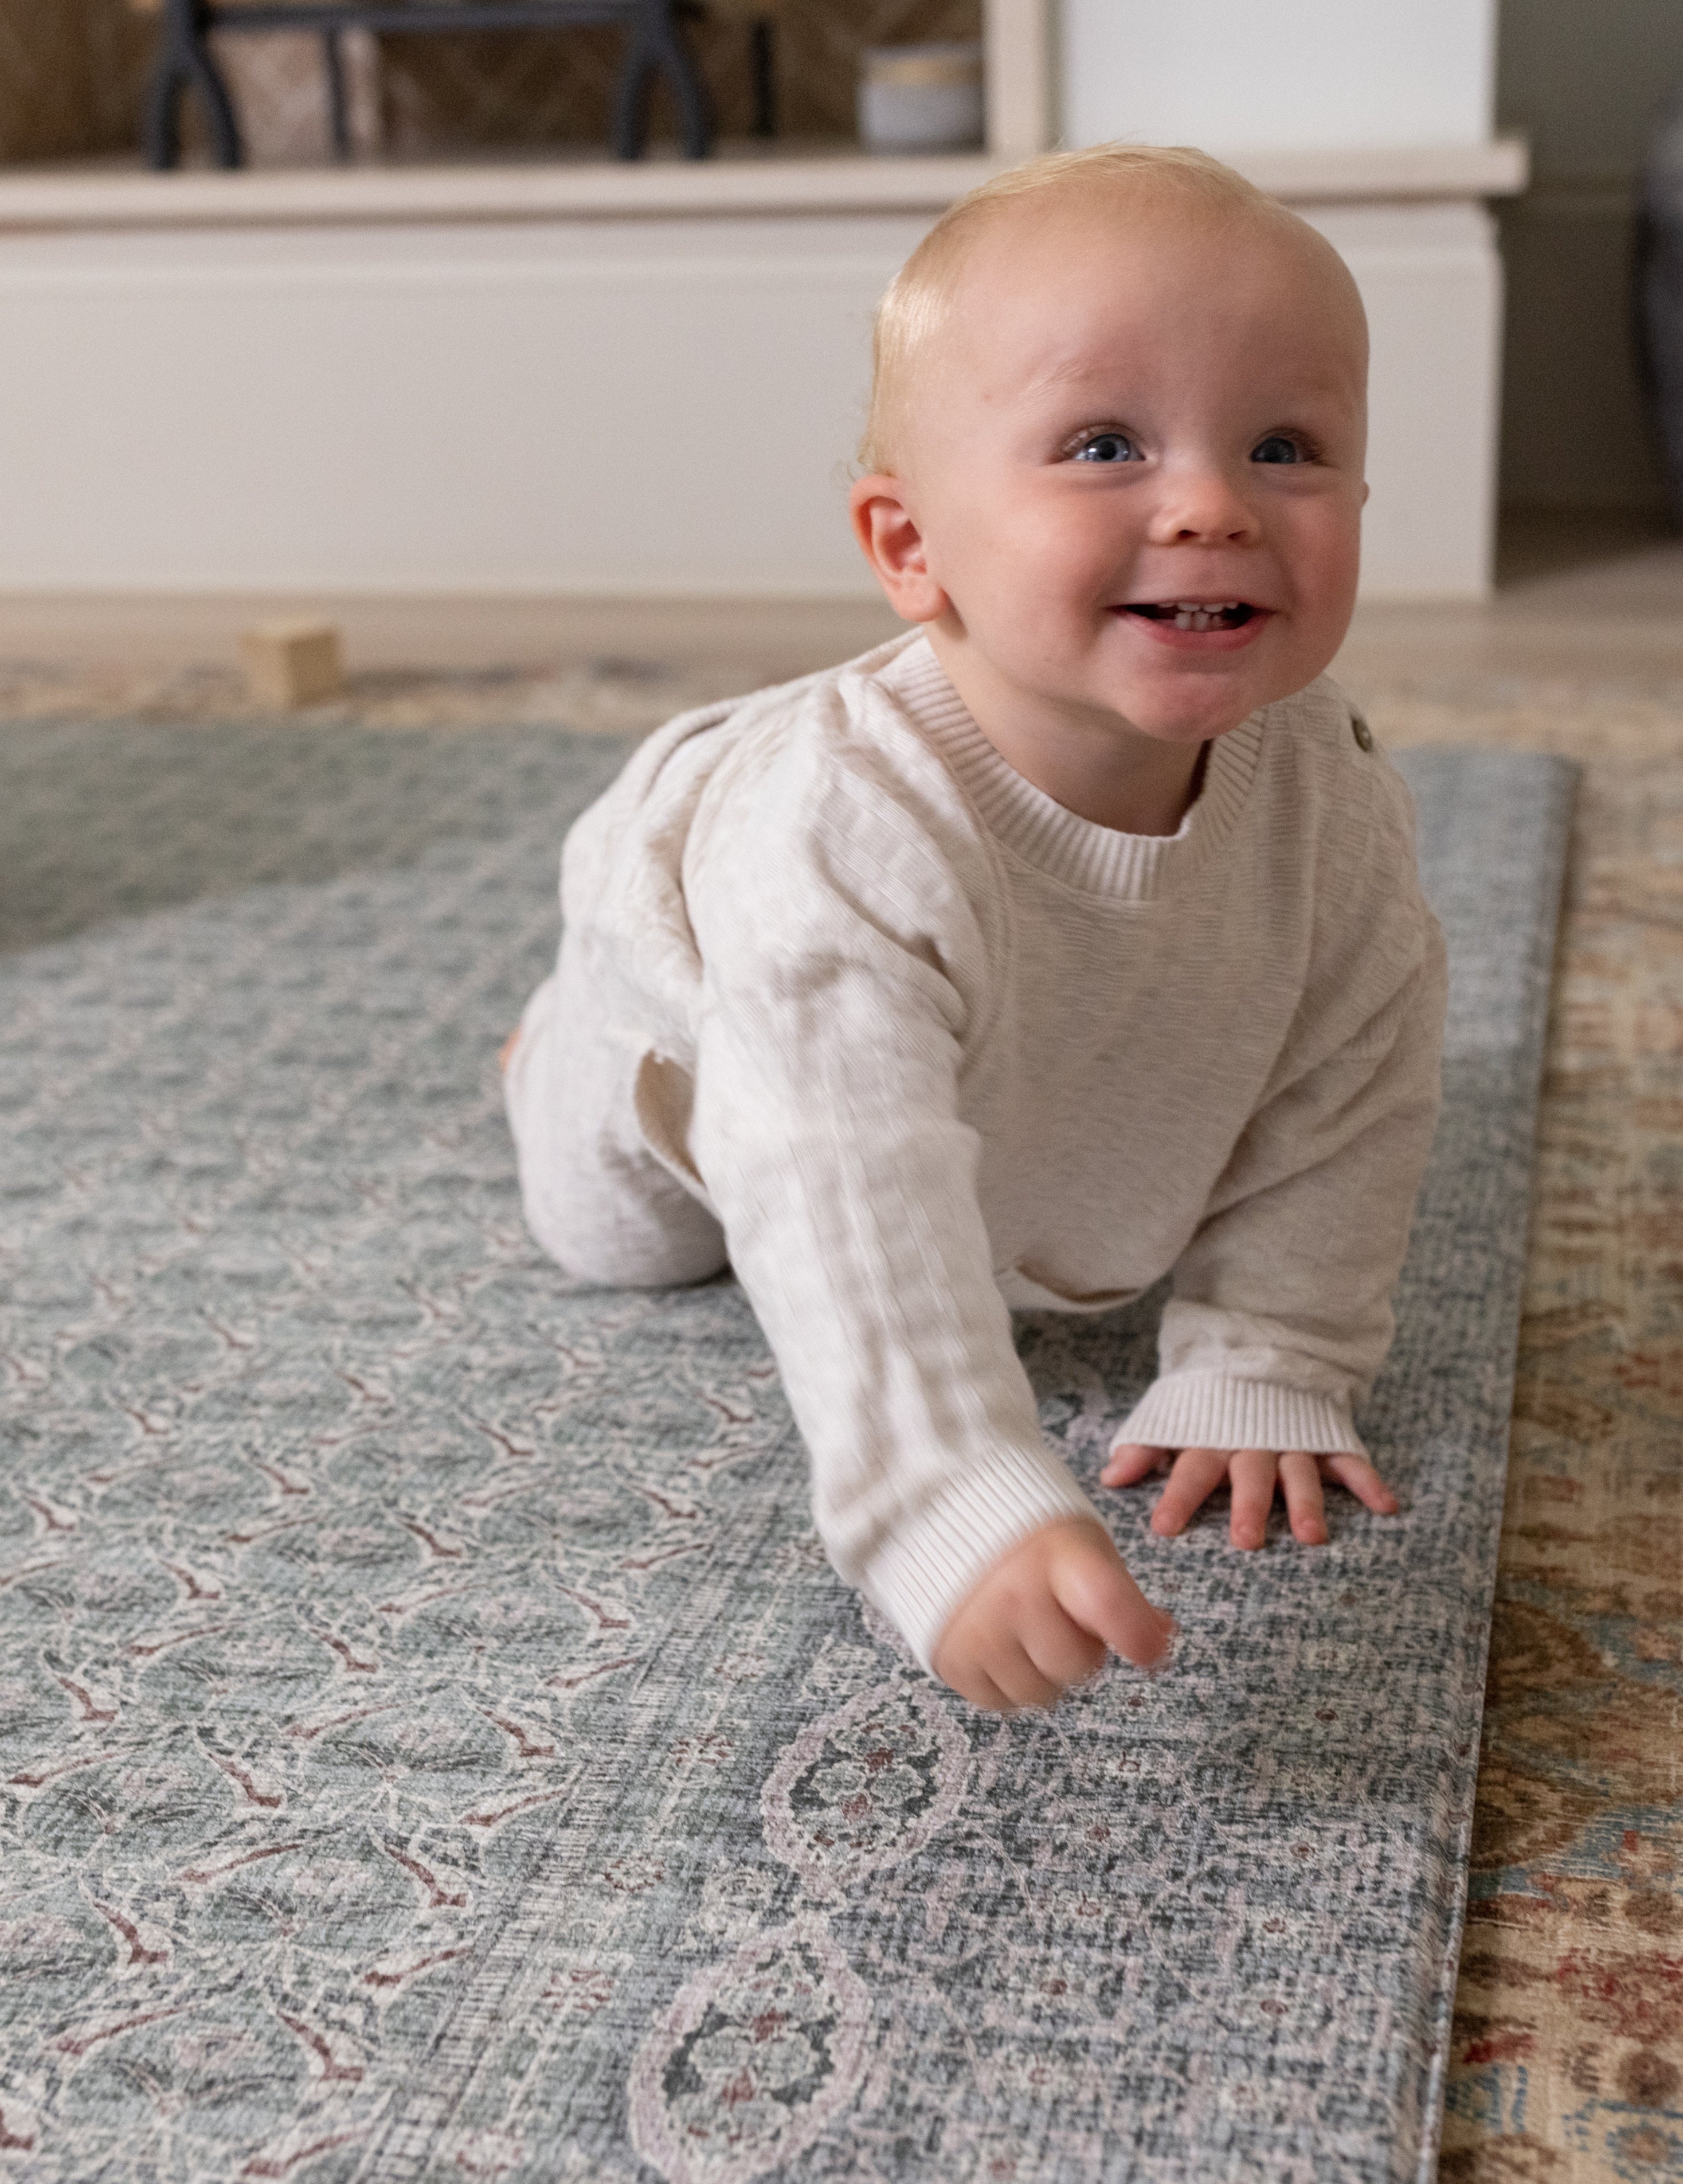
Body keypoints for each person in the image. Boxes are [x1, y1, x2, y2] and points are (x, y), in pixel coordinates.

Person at [501, 143, 1446, 1716]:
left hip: (1020, 1008)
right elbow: (840, 1173)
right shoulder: (837, 841)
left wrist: (1275, 1344)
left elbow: (1351, 1071)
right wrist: (949, 1497)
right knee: (632, 1240)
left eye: (1285, 445)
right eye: (1102, 444)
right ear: (908, 548)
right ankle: (550, 1050)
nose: (1212, 505)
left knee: (1055, 1154)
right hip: (690, 981)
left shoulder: (1329, 794)